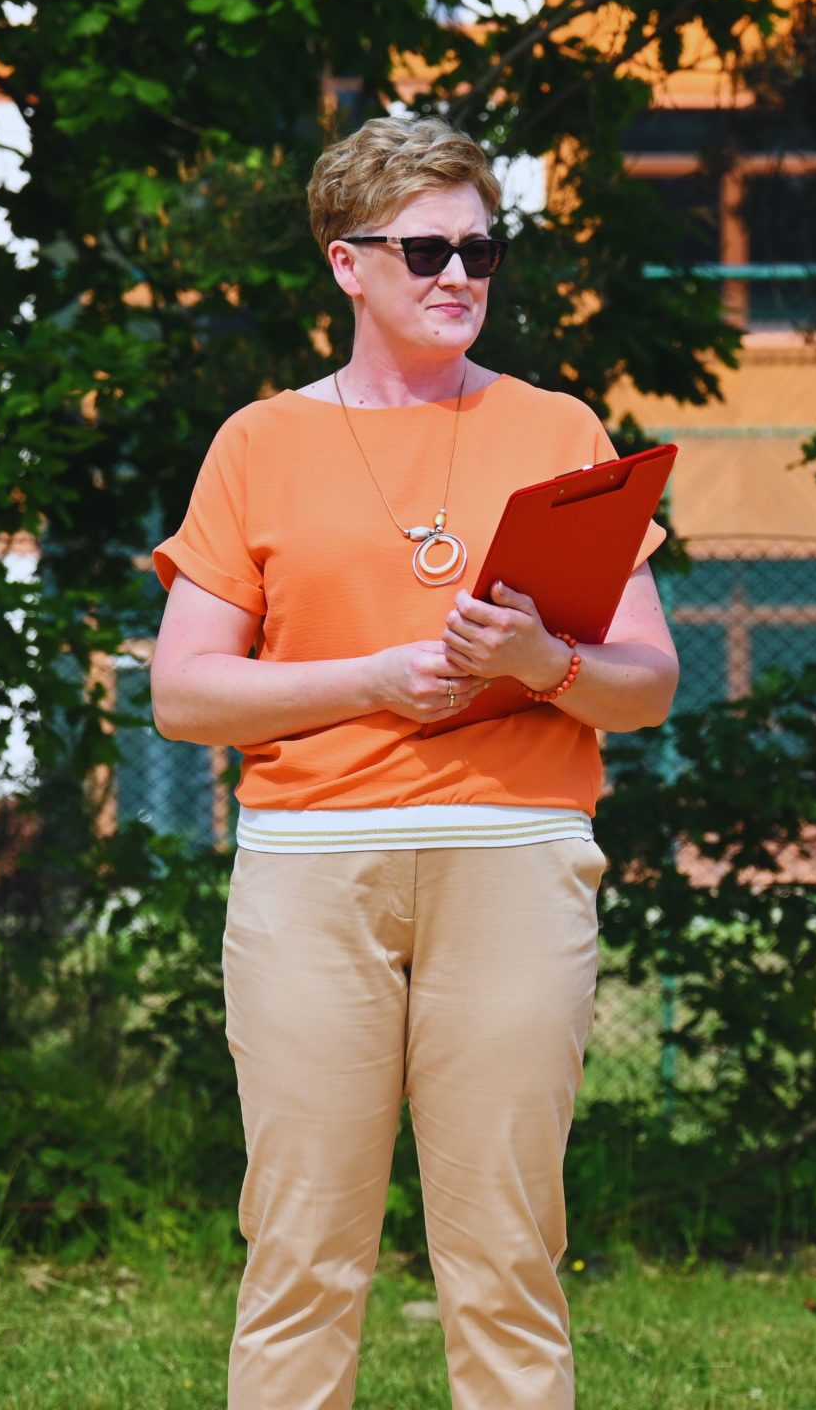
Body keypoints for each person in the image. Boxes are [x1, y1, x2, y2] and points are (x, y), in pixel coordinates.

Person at [149, 114, 680, 1410]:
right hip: (311, 866)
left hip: (515, 855)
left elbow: (650, 684)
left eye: (480, 251)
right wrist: (374, 680)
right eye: (428, 250)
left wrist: (539, 664)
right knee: (300, 1254)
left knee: (507, 1258)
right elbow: (185, 694)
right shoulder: (259, 441)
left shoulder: (559, 427)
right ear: (347, 262)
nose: (459, 277)